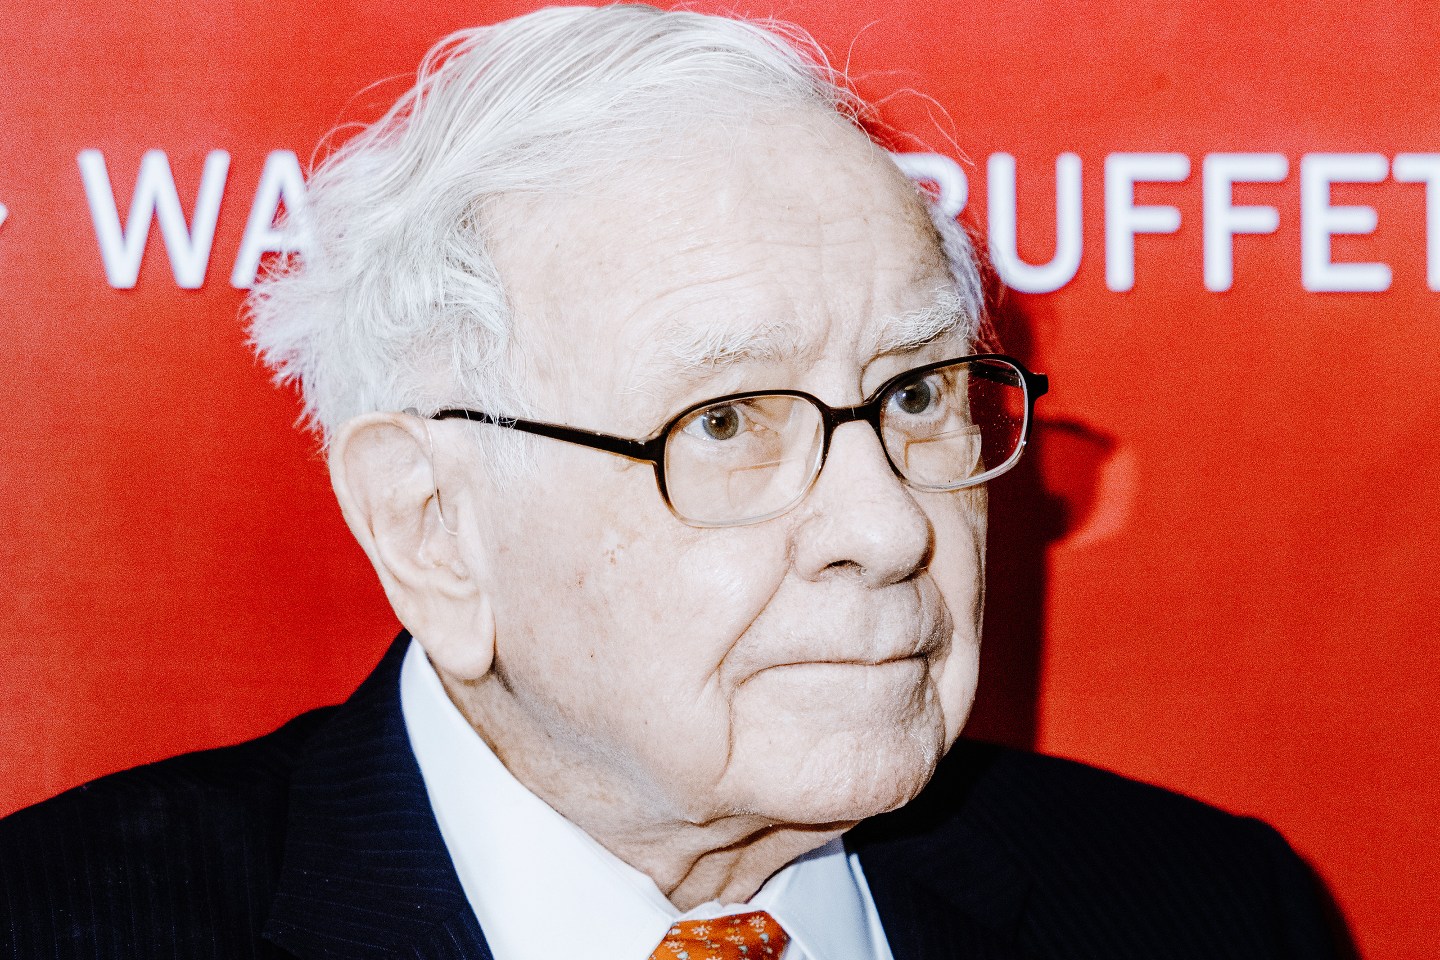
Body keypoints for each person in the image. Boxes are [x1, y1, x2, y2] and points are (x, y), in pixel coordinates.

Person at [0, 6, 1339, 959]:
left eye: (919, 394)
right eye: (725, 421)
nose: (886, 530)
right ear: (434, 525)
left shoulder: (1210, 909)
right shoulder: (63, 922)